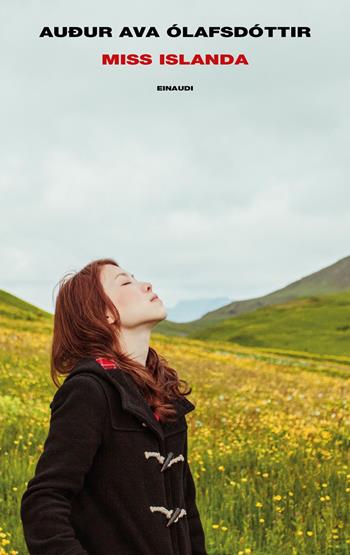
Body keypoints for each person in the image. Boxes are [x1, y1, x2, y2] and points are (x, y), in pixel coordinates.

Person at [20, 257, 208, 555]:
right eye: (125, 282)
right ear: (104, 312)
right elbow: (44, 501)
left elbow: (185, 510)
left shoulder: (165, 396)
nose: (146, 284)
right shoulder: (90, 390)